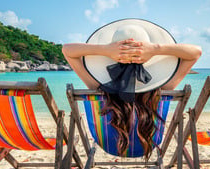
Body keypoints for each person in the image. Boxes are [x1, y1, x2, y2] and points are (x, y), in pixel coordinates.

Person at [63, 19, 201, 159]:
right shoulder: (163, 88)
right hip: (148, 144)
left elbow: (67, 50)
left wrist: (105, 50)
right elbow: (196, 52)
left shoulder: (96, 86)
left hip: (109, 145)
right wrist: (155, 49)